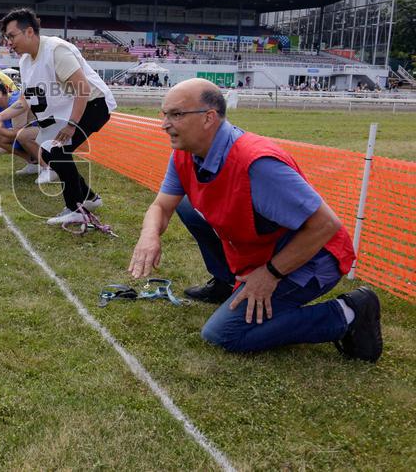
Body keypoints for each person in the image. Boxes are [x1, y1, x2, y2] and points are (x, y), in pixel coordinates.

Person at [127, 78, 382, 361]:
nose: (165, 124)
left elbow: (326, 225)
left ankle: (350, 312)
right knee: (187, 206)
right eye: (164, 114)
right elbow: (161, 206)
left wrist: (270, 273)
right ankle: (227, 283)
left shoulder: (257, 164)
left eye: (176, 115)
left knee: (223, 334)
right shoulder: (185, 154)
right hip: (264, 249)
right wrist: (149, 235)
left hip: (314, 258)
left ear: (209, 118)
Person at [0, 8, 117, 225]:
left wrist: (71, 125)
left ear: (29, 32)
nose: (8, 42)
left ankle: (77, 209)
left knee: (55, 150)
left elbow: (82, 89)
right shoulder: (26, 61)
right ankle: (89, 198)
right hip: (69, 109)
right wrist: (0, 117)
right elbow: (25, 100)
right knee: (52, 151)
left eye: (11, 36)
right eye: (6, 37)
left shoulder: (56, 50)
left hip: (93, 104)